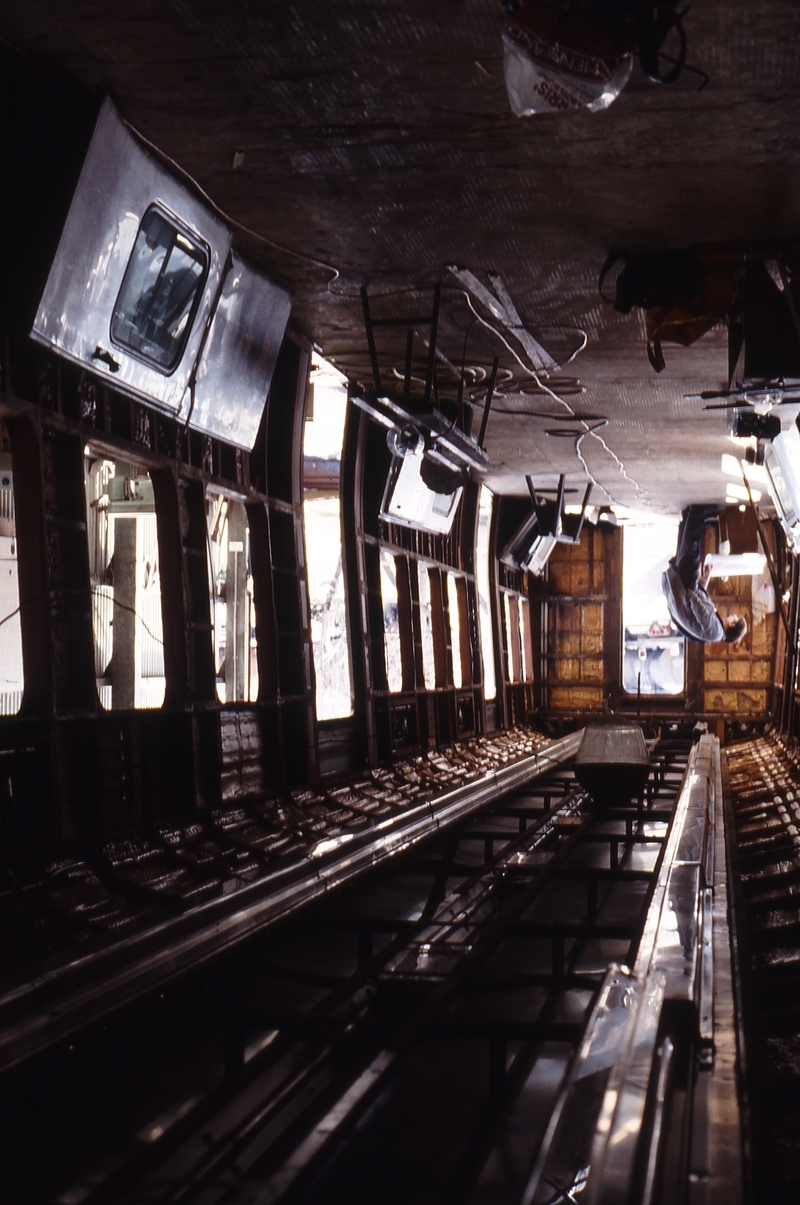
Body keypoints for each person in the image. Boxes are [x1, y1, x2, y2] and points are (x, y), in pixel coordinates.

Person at [661, 506, 748, 645]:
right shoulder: (716, 631)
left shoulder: (716, 633)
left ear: (732, 625)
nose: (732, 616)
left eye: (735, 618)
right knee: (684, 552)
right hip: (686, 596)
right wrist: (703, 582)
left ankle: (697, 512)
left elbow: (701, 613)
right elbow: (702, 612)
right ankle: (688, 515)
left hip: (687, 594)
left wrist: (691, 593)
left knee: (690, 552)